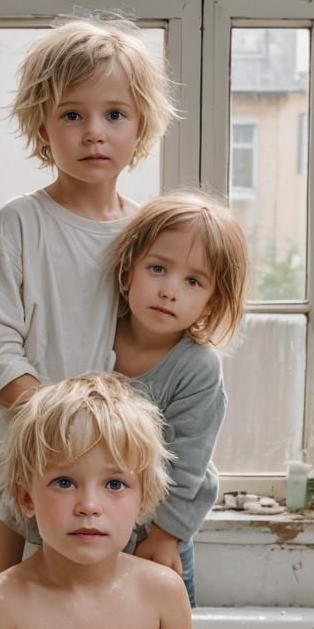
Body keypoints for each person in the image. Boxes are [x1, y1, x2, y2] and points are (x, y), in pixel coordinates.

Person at [0, 17, 176, 579]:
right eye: (71, 114)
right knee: (4, 599)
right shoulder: (19, 223)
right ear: (42, 128)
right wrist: (50, 421)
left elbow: (168, 329)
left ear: (141, 128)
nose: (94, 132)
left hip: (114, 457)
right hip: (25, 438)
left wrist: (102, 435)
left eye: (114, 115)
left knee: (100, 609)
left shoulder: (147, 231)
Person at [0, 373, 211, 629]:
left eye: (115, 484)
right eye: (64, 482)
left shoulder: (161, 592)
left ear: (144, 500)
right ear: (27, 498)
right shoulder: (2, 601)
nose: (89, 505)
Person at [108, 190, 250, 606]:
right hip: (93, 527)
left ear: (211, 302)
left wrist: (166, 536)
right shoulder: (95, 335)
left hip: (159, 530)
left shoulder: (197, 367)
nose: (170, 290)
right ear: (126, 272)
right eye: (157, 268)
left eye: (193, 281)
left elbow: (188, 466)